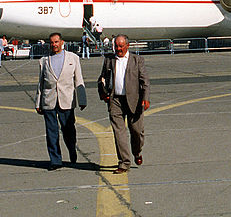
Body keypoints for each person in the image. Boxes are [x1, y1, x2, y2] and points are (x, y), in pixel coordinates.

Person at [98, 35, 150, 174]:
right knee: (119, 133)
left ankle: (137, 152)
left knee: (137, 132)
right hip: (115, 100)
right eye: (116, 46)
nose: (118, 49)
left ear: (127, 46)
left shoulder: (137, 60)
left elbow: (144, 81)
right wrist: (103, 93)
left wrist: (145, 98)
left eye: (121, 46)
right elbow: (102, 78)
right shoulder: (109, 60)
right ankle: (124, 162)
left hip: (134, 100)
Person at [35, 32, 86, 171]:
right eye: (51, 43)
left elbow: (79, 79)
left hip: (67, 100)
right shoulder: (44, 61)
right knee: (51, 132)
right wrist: (38, 102)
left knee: (68, 130)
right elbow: (40, 84)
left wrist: (82, 99)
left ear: (62, 42)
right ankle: (55, 160)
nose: (54, 45)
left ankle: (72, 149)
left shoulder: (73, 58)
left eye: (56, 42)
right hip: (49, 100)